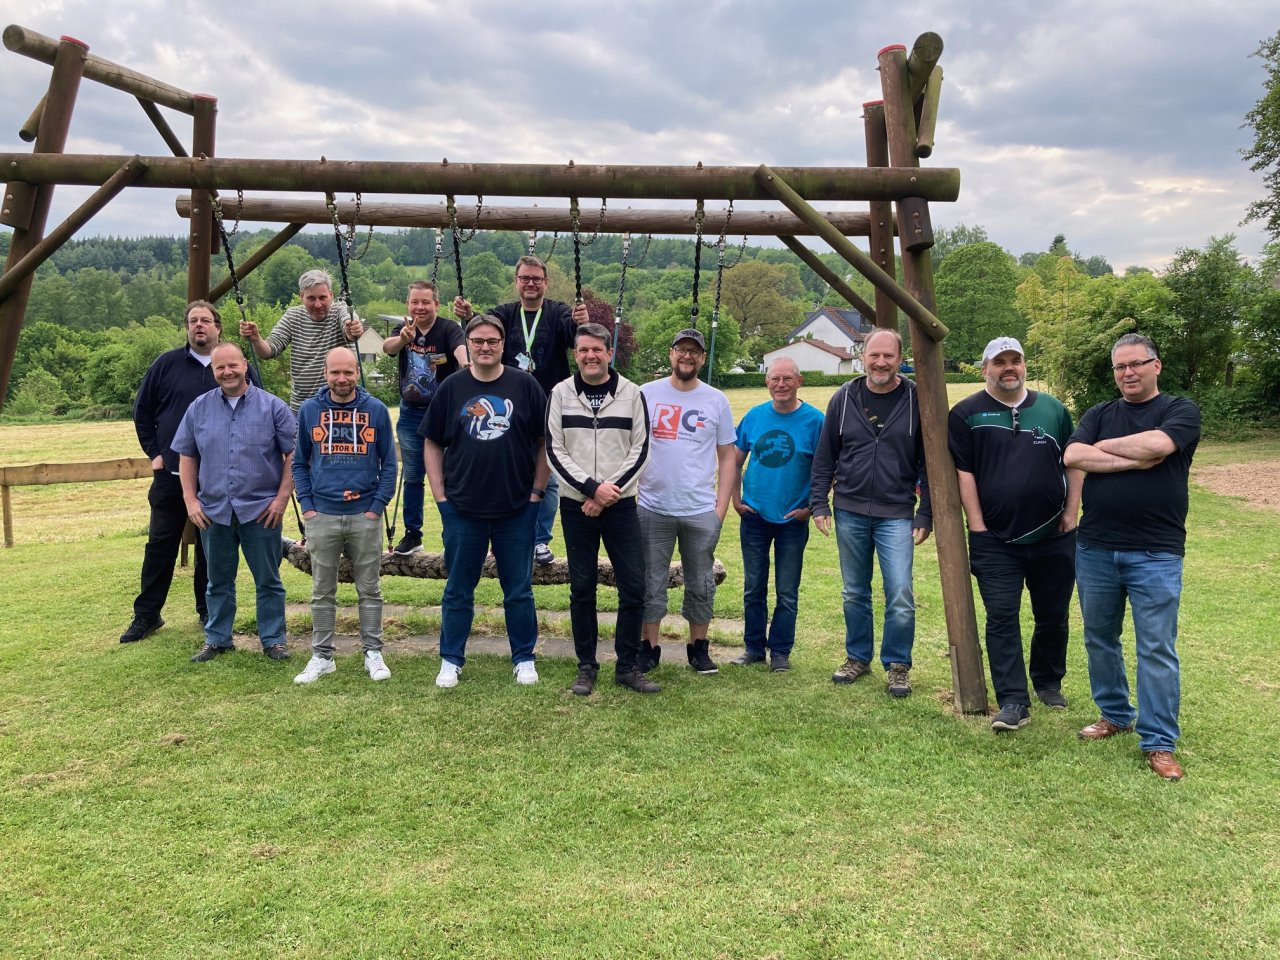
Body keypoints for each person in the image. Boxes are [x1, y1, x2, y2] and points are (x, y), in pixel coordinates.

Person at [1063, 333, 1200, 782]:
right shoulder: (1099, 413)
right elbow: (1073, 454)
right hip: (1096, 548)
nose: (1128, 373)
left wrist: (1105, 450)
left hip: (1156, 551)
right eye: (1120, 367)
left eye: (1136, 364)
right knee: (1100, 638)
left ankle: (1158, 740)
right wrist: (1134, 459)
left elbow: (1159, 446)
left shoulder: (1180, 410)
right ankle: (1115, 714)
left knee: (1156, 647)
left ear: (1155, 365)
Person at [948, 337, 1083, 732]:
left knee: (1053, 615)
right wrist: (977, 524)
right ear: (985, 369)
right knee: (1002, 618)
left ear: (1024, 366)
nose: (1009, 368)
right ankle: (1012, 701)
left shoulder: (1053, 409)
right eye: (1000, 362)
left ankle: (1048, 681)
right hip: (995, 541)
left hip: (1053, 535)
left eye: (1015, 360)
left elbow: (1074, 461)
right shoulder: (966, 414)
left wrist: (1071, 511)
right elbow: (963, 472)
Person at [420, 315, 550, 688]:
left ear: (502, 345)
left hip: (516, 508)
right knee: (458, 589)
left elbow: (545, 442)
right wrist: (440, 497)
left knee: (519, 590)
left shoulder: (525, 385)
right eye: (477, 341)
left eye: (492, 340)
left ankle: (524, 657)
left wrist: (536, 494)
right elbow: (432, 442)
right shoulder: (452, 387)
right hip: (462, 509)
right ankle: (450, 659)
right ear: (469, 344)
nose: (485, 347)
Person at [123, 300, 258, 643]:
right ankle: (147, 615)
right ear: (187, 328)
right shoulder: (166, 364)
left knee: (211, 548)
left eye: (206, 320)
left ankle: (207, 610)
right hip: (171, 475)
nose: (199, 325)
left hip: (218, 478)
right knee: (160, 545)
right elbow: (142, 411)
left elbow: (256, 410)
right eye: (193, 320)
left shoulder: (234, 366)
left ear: (218, 328)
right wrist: (155, 454)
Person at [810, 327, 931, 698]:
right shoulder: (844, 397)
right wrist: (819, 502)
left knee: (900, 593)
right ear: (863, 356)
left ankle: (898, 665)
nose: (881, 362)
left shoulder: (915, 399)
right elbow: (825, 454)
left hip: (897, 512)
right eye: (874, 355)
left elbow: (928, 462)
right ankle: (857, 657)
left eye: (888, 356)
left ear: (900, 358)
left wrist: (926, 512)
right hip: (849, 508)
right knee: (854, 592)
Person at [546, 322, 659, 696]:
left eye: (597, 349)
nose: (590, 356)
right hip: (576, 506)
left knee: (633, 587)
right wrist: (591, 489)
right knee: (582, 588)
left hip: (621, 506)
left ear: (609, 353)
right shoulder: (560, 393)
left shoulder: (632, 394)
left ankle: (627, 667)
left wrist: (608, 493)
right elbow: (554, 450)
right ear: (575, 354)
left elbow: (640, 449)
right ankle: (586, 666)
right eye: (583, 350)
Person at [454, 255, 588, 566]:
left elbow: (574, 337)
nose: (530, 283)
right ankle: (504, 535)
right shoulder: (505, 314)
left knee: (548, 479)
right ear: (516, 282)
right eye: (525, 278)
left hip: (550, 407)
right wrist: (469, 315)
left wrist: (580, 322)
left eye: (536, 278)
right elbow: (483, 328)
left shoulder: (558, 312)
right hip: (508, 408)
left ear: (546, 283)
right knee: (506, 472)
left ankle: (540, 540)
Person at [173, 343, 296, 663]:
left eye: (233, 365)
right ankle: (218, 639)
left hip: (262, 511)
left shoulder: (273, 407)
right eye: (220, 367)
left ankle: (273, 640)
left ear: (244, 365)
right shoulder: (198, 408)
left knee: (268, 580)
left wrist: (281, 499)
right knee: (217, 581)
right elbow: (187, 456)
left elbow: (294, 455)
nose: (227, 372)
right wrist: (190, 501)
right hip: (213, 512)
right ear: (212, 370)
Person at [291, 347, 398, 685]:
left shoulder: (376, 410)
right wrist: (307, 505)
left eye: (348, 372)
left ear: (357, 372)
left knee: (370, 588)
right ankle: (322, 656)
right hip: (322, 514)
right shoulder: (309, 410)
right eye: (335, 372)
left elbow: (390, 463)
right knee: (322, 590)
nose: (342, 378)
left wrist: (376, 507)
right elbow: (299, 462)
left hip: (364, 514)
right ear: (325, 374)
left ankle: (373, 652)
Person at [637, 328, 736, 676]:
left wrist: (720, 509)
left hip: (700, 509)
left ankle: (699, 648)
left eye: (694, 351)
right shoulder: (646, 394)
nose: (687, 356)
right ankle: (649, 647)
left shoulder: (716, 400)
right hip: (653, 507)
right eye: (681, 349)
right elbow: (632, 446)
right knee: (651, 581)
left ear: (702, 358)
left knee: (701, 583)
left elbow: (727, 456)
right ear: (671, 354)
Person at [730, 357, 824, 673]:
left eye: (787, 378)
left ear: (799, 381)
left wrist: (811, 507)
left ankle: (780, 652)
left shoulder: (815, 421)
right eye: (775, 379)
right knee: (753, 588)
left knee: (787, 591)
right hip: (755, 516)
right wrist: (735, 500)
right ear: (766, 382)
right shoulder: (755, 417)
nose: (780, 384)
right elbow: (734, 461)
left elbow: (828, 469)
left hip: (792, 520)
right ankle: (754, 648)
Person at [381, 280, 468, 555]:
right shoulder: (404, 327)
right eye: (415, 302)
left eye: (425, 302)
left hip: (444, 415)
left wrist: (467, 364)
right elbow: (388, 348)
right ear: (407, 304)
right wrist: (403, 339)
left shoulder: (449, 328)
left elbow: (460, 348)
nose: (420, 307)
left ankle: (453, 534)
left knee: (451, 477)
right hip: (410, 414)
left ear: (436, 304)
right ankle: (413, 534)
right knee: (412, 476)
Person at [241, 268, 366, 411]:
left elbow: (349, 327)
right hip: (301, 408)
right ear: (302, 297)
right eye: (311, 298)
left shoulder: (341, 310)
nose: (318, 304)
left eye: (323, 297)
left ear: (331, 295)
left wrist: (352, 330)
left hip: (341, 406)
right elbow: (269, 351)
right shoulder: (293, 316)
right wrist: (256, 338)